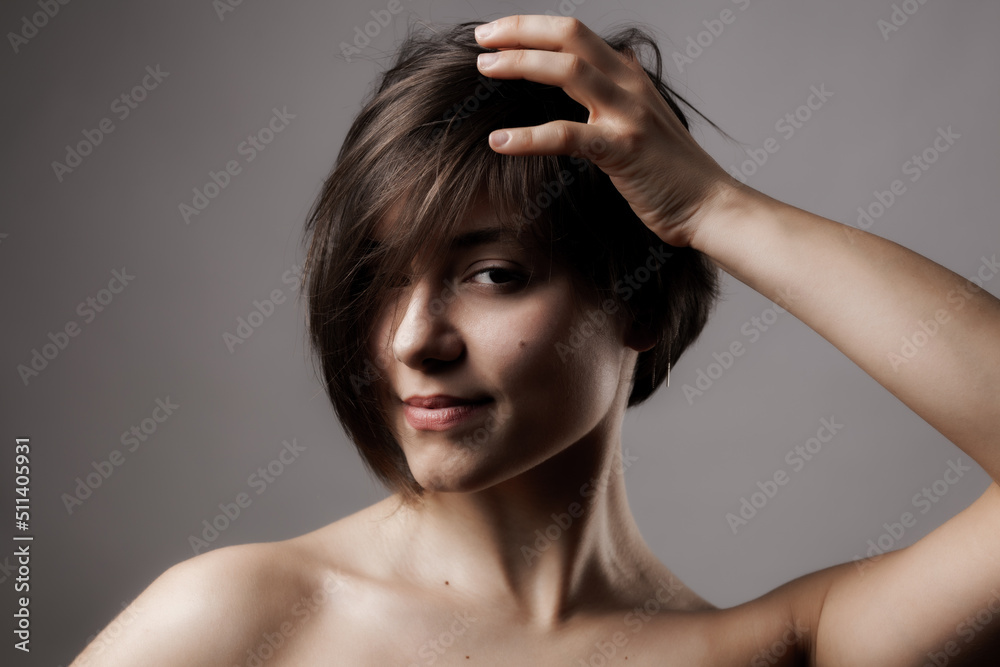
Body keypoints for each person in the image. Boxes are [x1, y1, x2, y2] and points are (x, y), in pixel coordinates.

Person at [70, 15, 1000, 666]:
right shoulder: (242, 622)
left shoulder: (773, 649)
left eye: (493, 274)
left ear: (640, 303)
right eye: (377, 281)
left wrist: (718, 208)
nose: (412, 339)